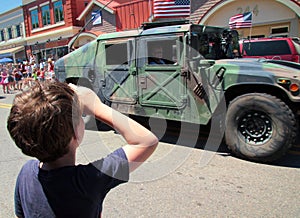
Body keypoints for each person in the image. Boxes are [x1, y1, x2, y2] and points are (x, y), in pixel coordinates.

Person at [7, 81, 158, 217]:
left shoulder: (25, 174)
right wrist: (96, 107)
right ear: (75, 132)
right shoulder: (88, 181)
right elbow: (145, 141)